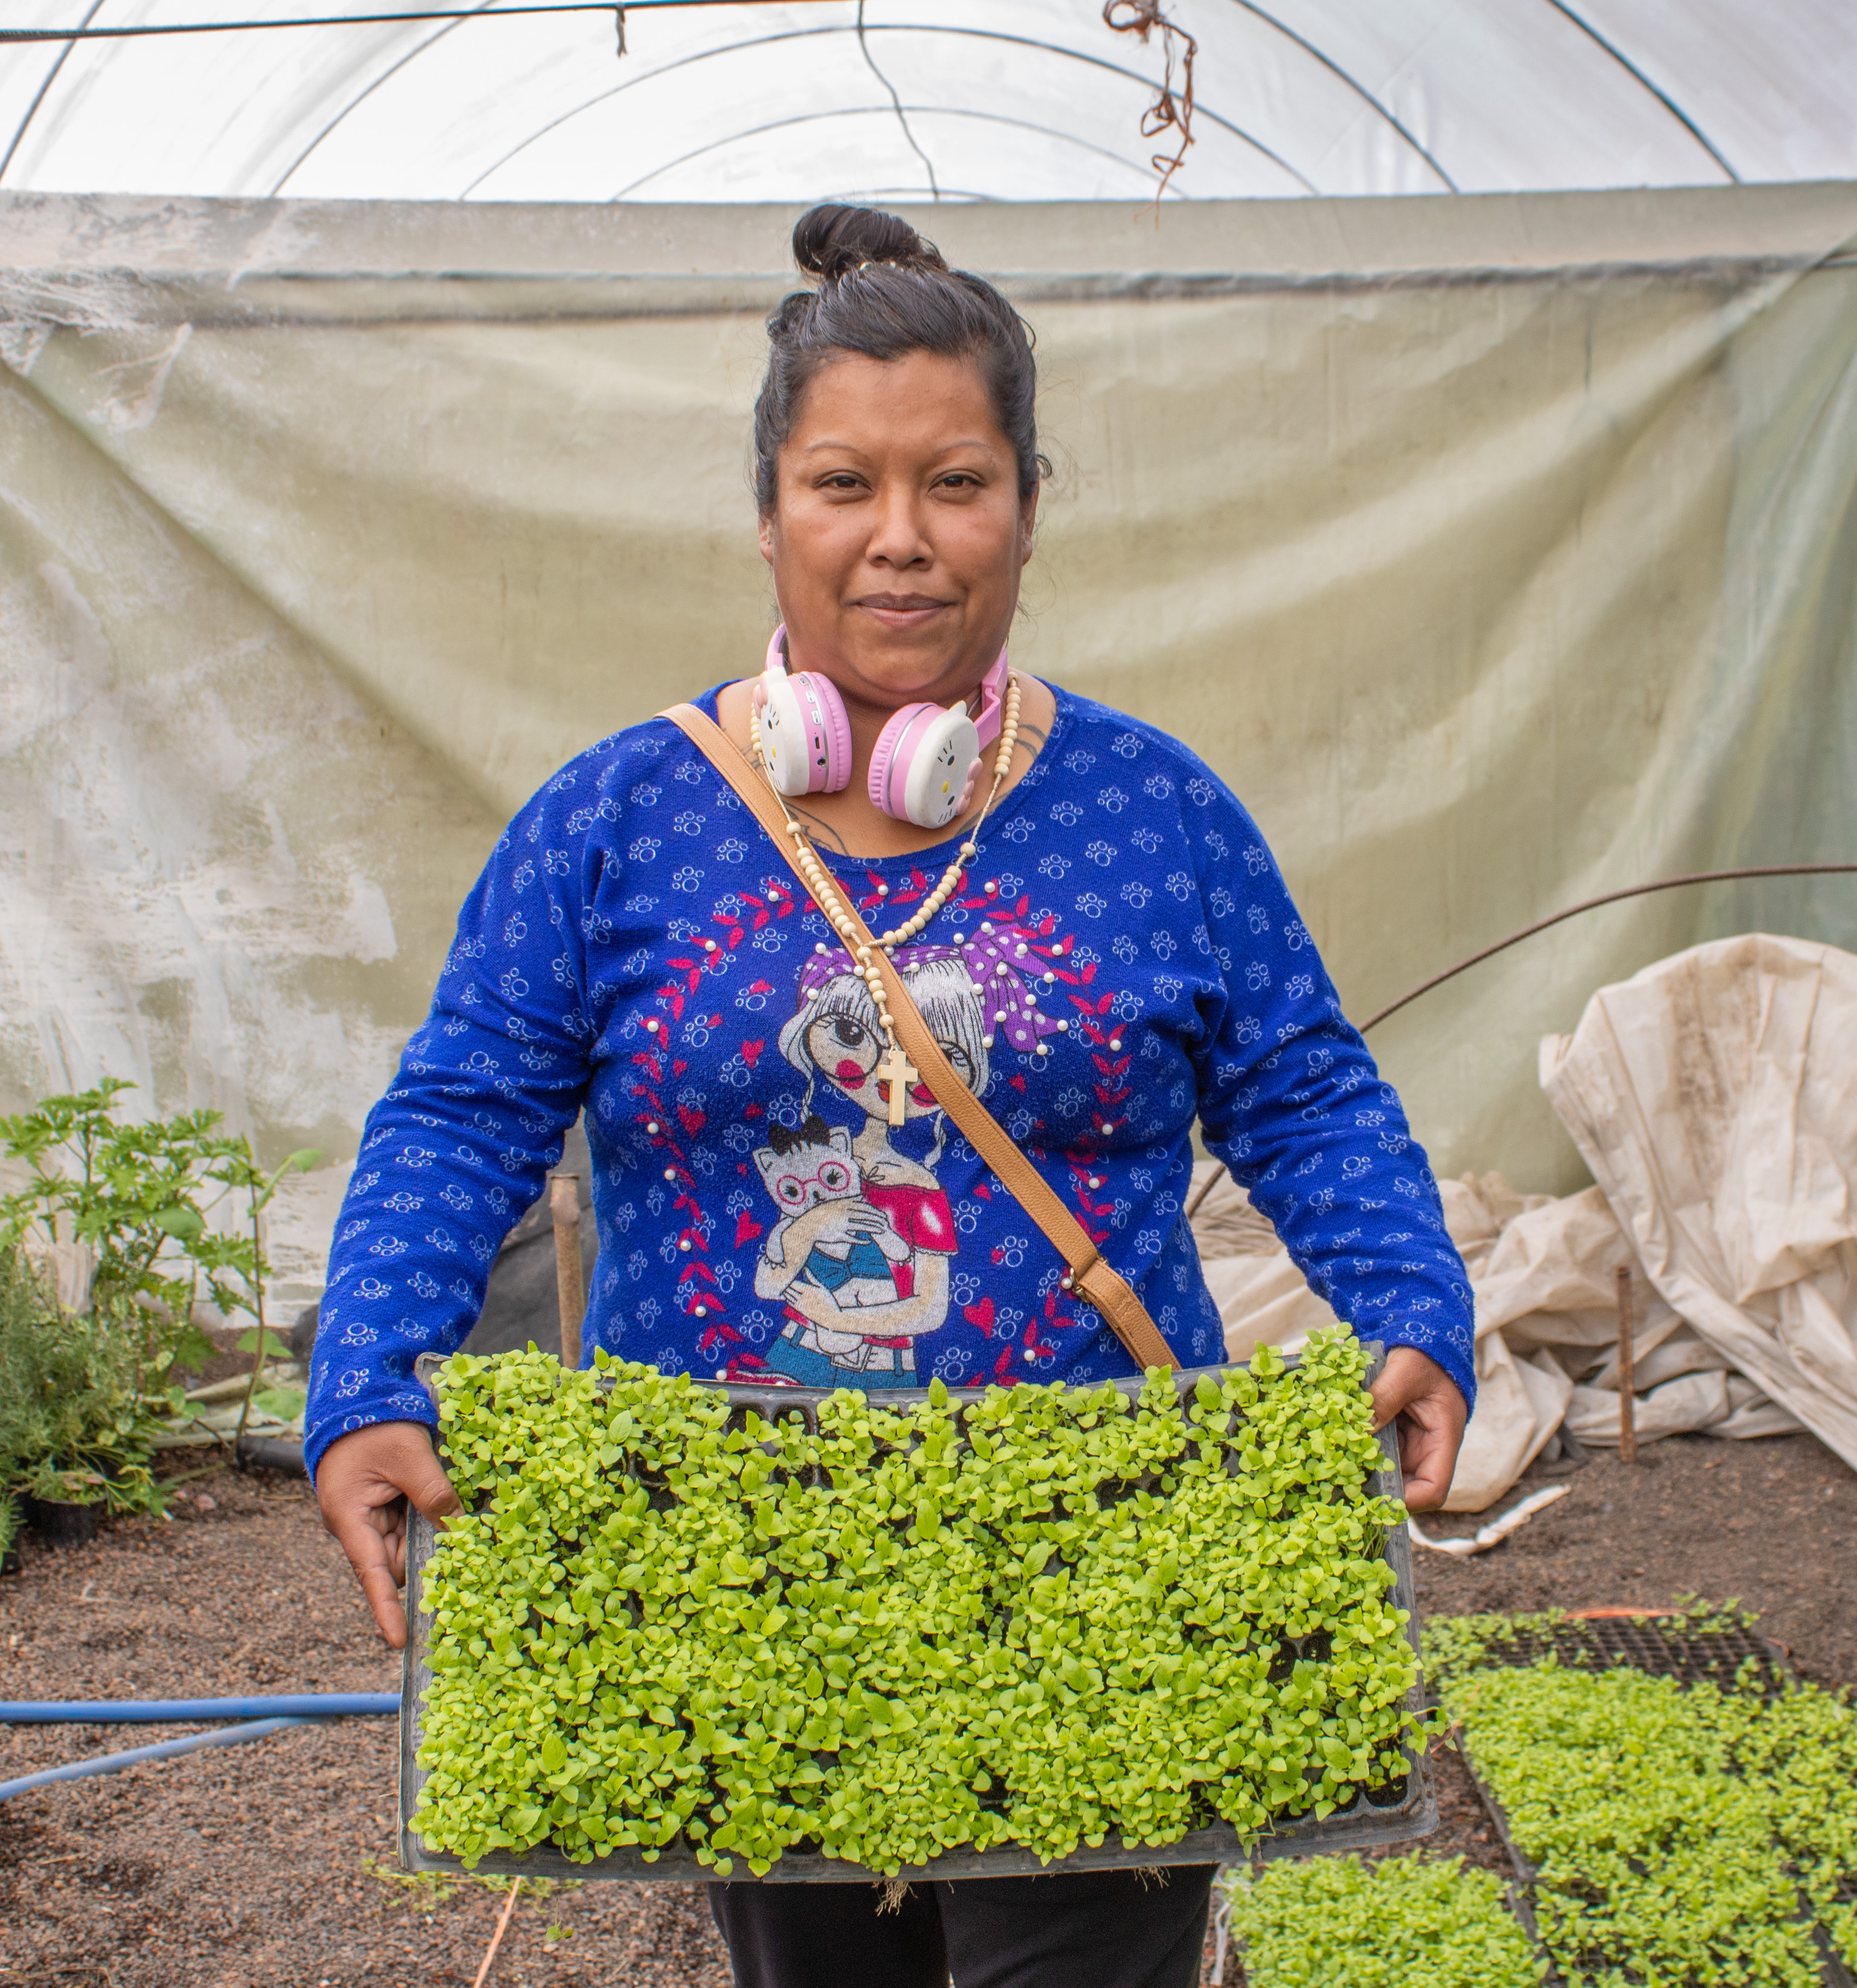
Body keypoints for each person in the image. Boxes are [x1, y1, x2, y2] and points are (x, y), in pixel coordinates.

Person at [305, 202, 1475, 1988]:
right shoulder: (623, 817)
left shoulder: (1149, 811)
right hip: (730, 1555)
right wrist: (367, 1370)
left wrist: (1413, 1301)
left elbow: (1301, 1089)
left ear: (1027, 502)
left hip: (1101, 1552)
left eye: (960, 484)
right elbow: (465, 1105)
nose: (902, 544)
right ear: (768, 508)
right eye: (843, 485)